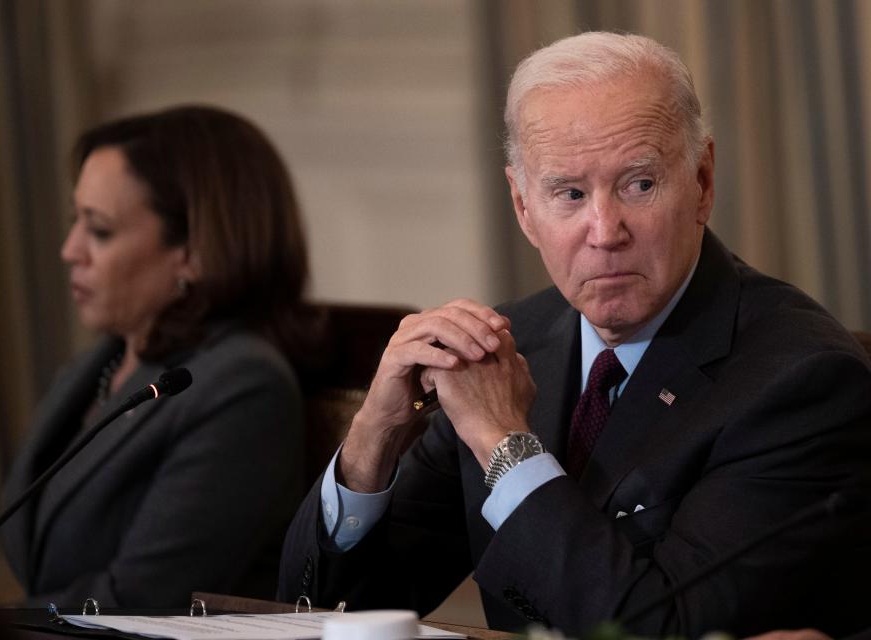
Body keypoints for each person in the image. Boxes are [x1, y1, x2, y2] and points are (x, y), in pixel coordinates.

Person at [278, 32, 871, 638]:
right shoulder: (512, 345)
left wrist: (504, 443)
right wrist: (371, 440)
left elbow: (662, 628)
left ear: (702, 182)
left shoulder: (802, 380)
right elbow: (328, 618)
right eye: (570, 192)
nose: (605, 230)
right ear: (523, 206)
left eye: (639, 184)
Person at [2, 105, 312, 608]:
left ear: (194, 249)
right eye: (73, 222)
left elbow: (140, 599)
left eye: (99, 230)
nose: (69, 250)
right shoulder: (97, 364)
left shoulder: (243, 386)